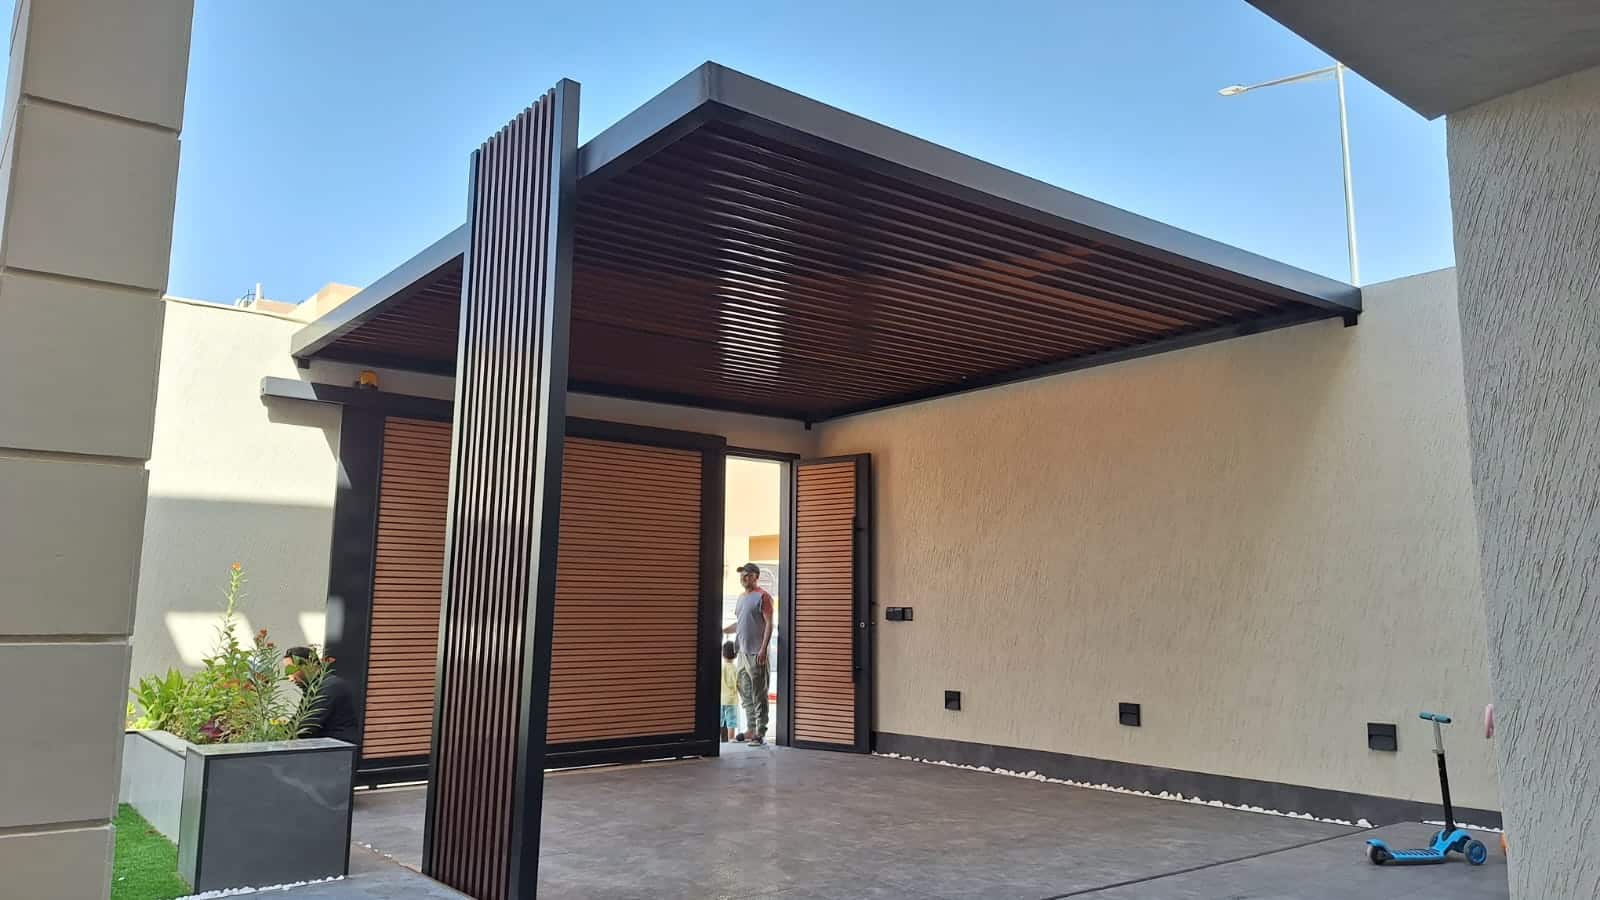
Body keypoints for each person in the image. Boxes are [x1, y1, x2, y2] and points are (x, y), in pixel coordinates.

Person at [722, 563, 774, 746]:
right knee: (746, 693)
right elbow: (741, 623)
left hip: (756, 653)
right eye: (742, 575)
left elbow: (769, 624)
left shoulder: (763, 597)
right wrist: (723, 630)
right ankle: (751, 729)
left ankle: (760, 733)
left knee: (759, 694)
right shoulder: (741, 598)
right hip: (742, 653)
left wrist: (763, 649)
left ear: (756, 577)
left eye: (747, 575)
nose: (743, 578)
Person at [284, 646, 361, 749]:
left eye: (291, 670)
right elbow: (298, 721)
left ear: (308, 665)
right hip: (328, 748)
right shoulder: (316, 686)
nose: (290, 678)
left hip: (337, 750)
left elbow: (306, 726)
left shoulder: (330, 686)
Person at [720, 641, 743, 742]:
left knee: (719, 720)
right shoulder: (735, 669)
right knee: (731, 722)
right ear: (735, 655)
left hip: (720, 699)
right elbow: (738, 685)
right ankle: (731, 740)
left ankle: (718, 740)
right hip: (732, 700)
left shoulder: (720, 667)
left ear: (722, 654)